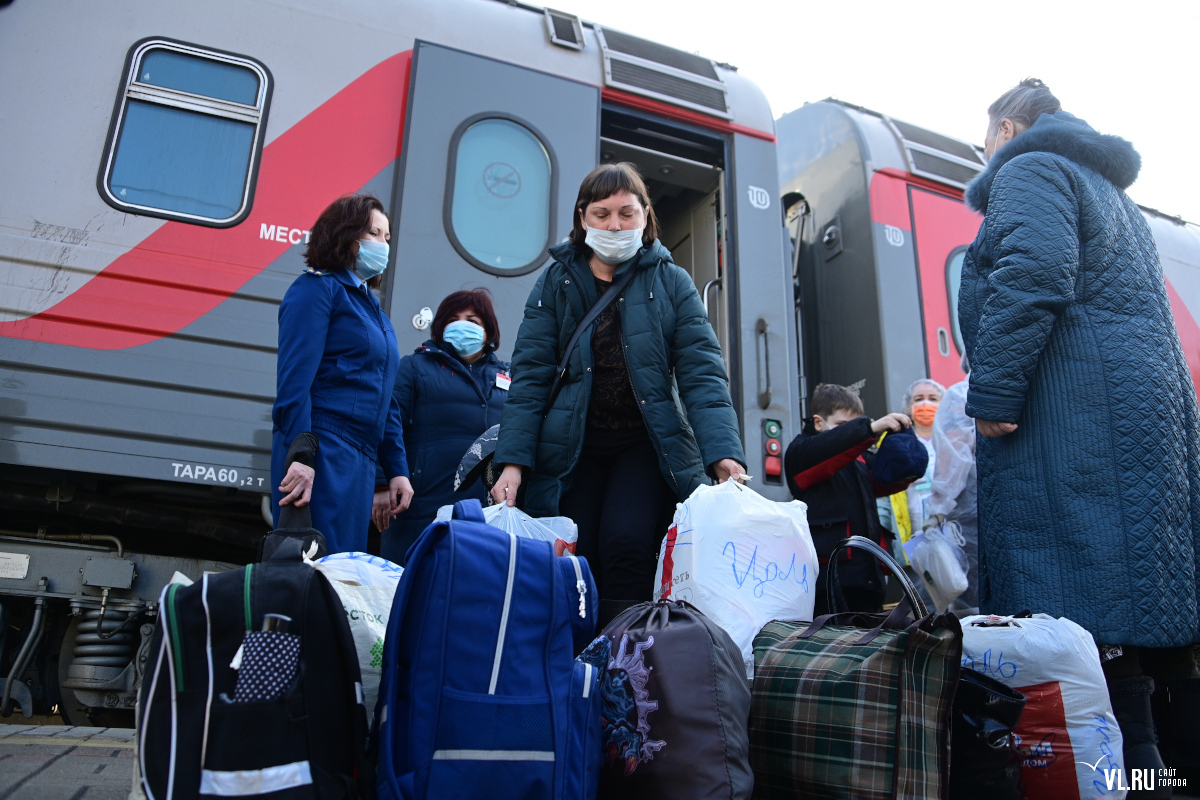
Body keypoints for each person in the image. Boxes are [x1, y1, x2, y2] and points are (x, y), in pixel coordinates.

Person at [960, 78, 1200, 780]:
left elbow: (1033, 274)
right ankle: (1172, 765)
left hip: (1071, 409)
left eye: (984, 142)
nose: (985, 156)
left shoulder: (1031, 167)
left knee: (1075, 588)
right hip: (1135, 409)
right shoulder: (1111, 192)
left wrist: (996, 390)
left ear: (1008, 128)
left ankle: (1120, 771)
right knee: (1136, 584)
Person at [491, 162, 746, 626]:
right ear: (582, 217)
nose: (614, 225)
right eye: (602, 213)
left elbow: (702, 373)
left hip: (644, 444)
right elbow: (529, 376)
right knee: (573, 546)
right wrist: (512, 462)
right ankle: (575, 665)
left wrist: (723, 455)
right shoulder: (556, 282)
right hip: (572, 445)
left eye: (627, 213)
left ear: (646, 216)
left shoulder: (672, 281)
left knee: (626, 541)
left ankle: (624, 662)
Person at [271, 194, 412, 554]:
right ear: (346, 236)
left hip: (360, 462)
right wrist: (301, 458)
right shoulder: (317, 290)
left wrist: (396, 468)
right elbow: (294, 384)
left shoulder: (375, 313)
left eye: (387, 238)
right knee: (311, 573)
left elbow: (386, 398)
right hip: (324, 451)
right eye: (375, 234)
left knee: (339, 578)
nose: (384, 245)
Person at [370, 289, 509, 565]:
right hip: (420, 509)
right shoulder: (414, 366)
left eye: (473, 320)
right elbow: (386, 423)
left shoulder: (508, 376)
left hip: (486, 516)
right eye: (453, 319)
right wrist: (381, 483)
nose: (462, 325)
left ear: (488, 330)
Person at [784, 382, 921, 615]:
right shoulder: (801, 452)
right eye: (841, 426)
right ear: (818, 423)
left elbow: (889, 479)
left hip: (868, 577)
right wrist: (868, 428)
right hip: (827, 580)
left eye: (855, 424)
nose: (850, 433)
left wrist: (904, 450)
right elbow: (834, 445)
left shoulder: (860, 459)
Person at [923, 366, 978, 616]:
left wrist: (936, 512)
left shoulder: (962, 395)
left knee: (975, 601)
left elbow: (953, 458)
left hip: (972, 515)